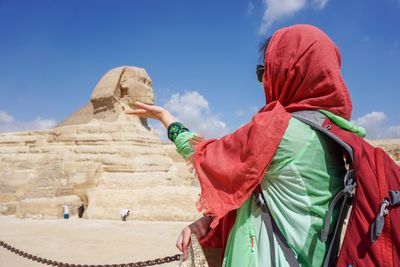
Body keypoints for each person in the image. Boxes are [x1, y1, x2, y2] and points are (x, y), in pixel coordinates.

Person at [126, 24, 365, 266]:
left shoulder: (278, 129)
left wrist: (169, 121)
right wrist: (209, 222)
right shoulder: (337, 136)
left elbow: (208, 156)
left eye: (265, 70)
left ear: (288, 70)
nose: (263, 82)